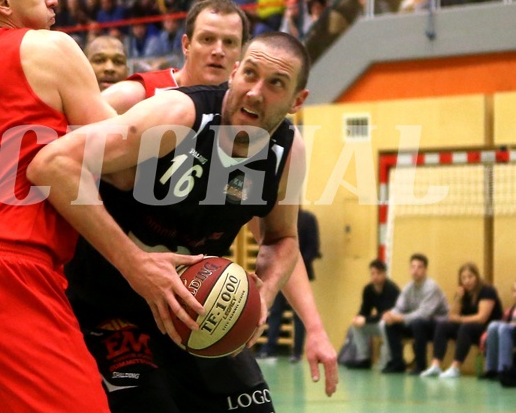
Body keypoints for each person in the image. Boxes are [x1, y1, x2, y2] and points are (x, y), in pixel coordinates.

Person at [0, 0, 203, 413]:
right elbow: (125, 169)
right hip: (7, 280)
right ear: (3, 1)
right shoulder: (49, 48)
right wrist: (181, 106)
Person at [28, 32, 339, 411]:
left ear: (297, 101)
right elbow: (51, 164)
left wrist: (265, 296)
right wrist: (134, 262)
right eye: (250, 75)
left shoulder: (286, 152)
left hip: (195, 313)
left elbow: (281, 237)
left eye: (276, 84)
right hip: (109, 308)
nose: (256, 92)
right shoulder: (178, 115)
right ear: (235, 73)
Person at [103, 0, 249, 114]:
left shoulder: (249, 110)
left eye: (229, 42)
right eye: (207, 39)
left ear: (241, 52)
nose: (218, 51)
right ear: (186, 45)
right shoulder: (137, 94)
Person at [259, 207, 321, 362]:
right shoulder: (275, 217)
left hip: (300, 272)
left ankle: (297, 352)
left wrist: (294, 266)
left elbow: (313, 248)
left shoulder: (308, 219)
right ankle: (270, 349)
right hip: (280, 272)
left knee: (299, 314)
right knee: (275, 311)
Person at [420, 262, 503, 378]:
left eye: (470, 277)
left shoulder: (487, 291)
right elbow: (452, 316)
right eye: (463, 278)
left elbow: (481, 318)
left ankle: (455, 367)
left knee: (466, 327)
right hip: (469, 327)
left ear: (477, 277)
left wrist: (460, 319)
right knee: (443, 325)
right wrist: (458, 298)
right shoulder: (462, 292)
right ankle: (436, 365)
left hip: (487, 329)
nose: (467, 281)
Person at [381, 253, 450, 374]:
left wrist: (400, 318)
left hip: (437, 326)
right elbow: (399, 307)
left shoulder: (431, 287)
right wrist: (390, 315)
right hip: (416, 323)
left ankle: (420, 364)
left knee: (418, 323)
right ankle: (397, 362)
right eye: (413, 267)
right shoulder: (408, 288)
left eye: (419, 267)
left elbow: (424, 314)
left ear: (425, 270)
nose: (415, 270)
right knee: (390, 325)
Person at [344, 259, 401, 369]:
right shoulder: (368, 289)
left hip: (392, 325)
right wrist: (358, 317)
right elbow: (365, 310)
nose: (375, 276)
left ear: (384, 274)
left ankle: (391, 360)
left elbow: (386, 314)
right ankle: (363, 358)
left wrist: (365, 320)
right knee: (355, 326)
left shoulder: (391, 289)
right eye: (372, 273)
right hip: (378, 323)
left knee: (383, 324)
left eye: (378, 273)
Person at [481, 281, 516, 380]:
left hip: (511, 331)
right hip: (510, 332)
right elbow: (503, 322)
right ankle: (491, 370)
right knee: (493, 325)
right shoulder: (511, 310)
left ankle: (504, 370)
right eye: (515, 291)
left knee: (504, 328)